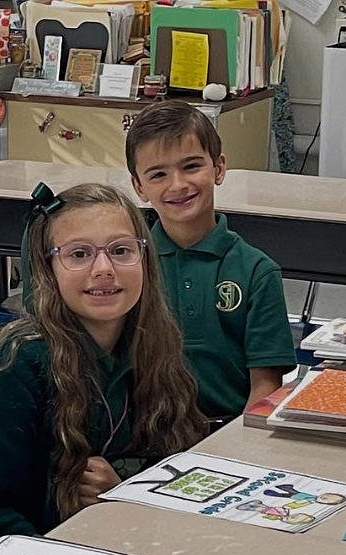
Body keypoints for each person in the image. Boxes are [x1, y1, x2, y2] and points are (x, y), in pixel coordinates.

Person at [0, 183, 208, 548]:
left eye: (121, 250)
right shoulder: (20, 364)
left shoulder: (154, 342)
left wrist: (124, 486)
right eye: (79, 254)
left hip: (130, 542)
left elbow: (178, 462)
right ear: (47, 269)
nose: (104, 269)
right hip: (46, 554)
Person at [126, 101, 296, 425]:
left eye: (191, 166)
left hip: (227, 432)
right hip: (141, 436)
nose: (177, 185)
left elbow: (265, 385)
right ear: (139, 187)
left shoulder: (257, 272)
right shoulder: (129, 266)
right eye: (158, 174)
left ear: (218, 169)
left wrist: (239, 453)